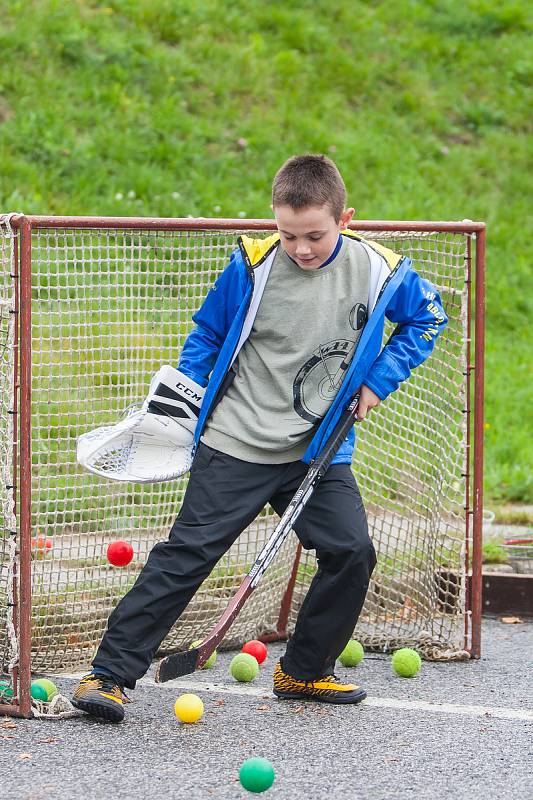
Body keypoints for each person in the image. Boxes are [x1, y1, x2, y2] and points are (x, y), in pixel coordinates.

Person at [72, 154, 447, 722]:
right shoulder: (253, 265)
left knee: (351, 551)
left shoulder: (381, 270)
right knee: (187, 556)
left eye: (315, 235)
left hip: (316, 448)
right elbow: (208, 332)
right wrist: (185, 400)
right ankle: (109, 674)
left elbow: (427, 318)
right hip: (236, 440)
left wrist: (377, 381)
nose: (300, 248)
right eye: (288, 233)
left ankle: (303, 671)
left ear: (346, 218)